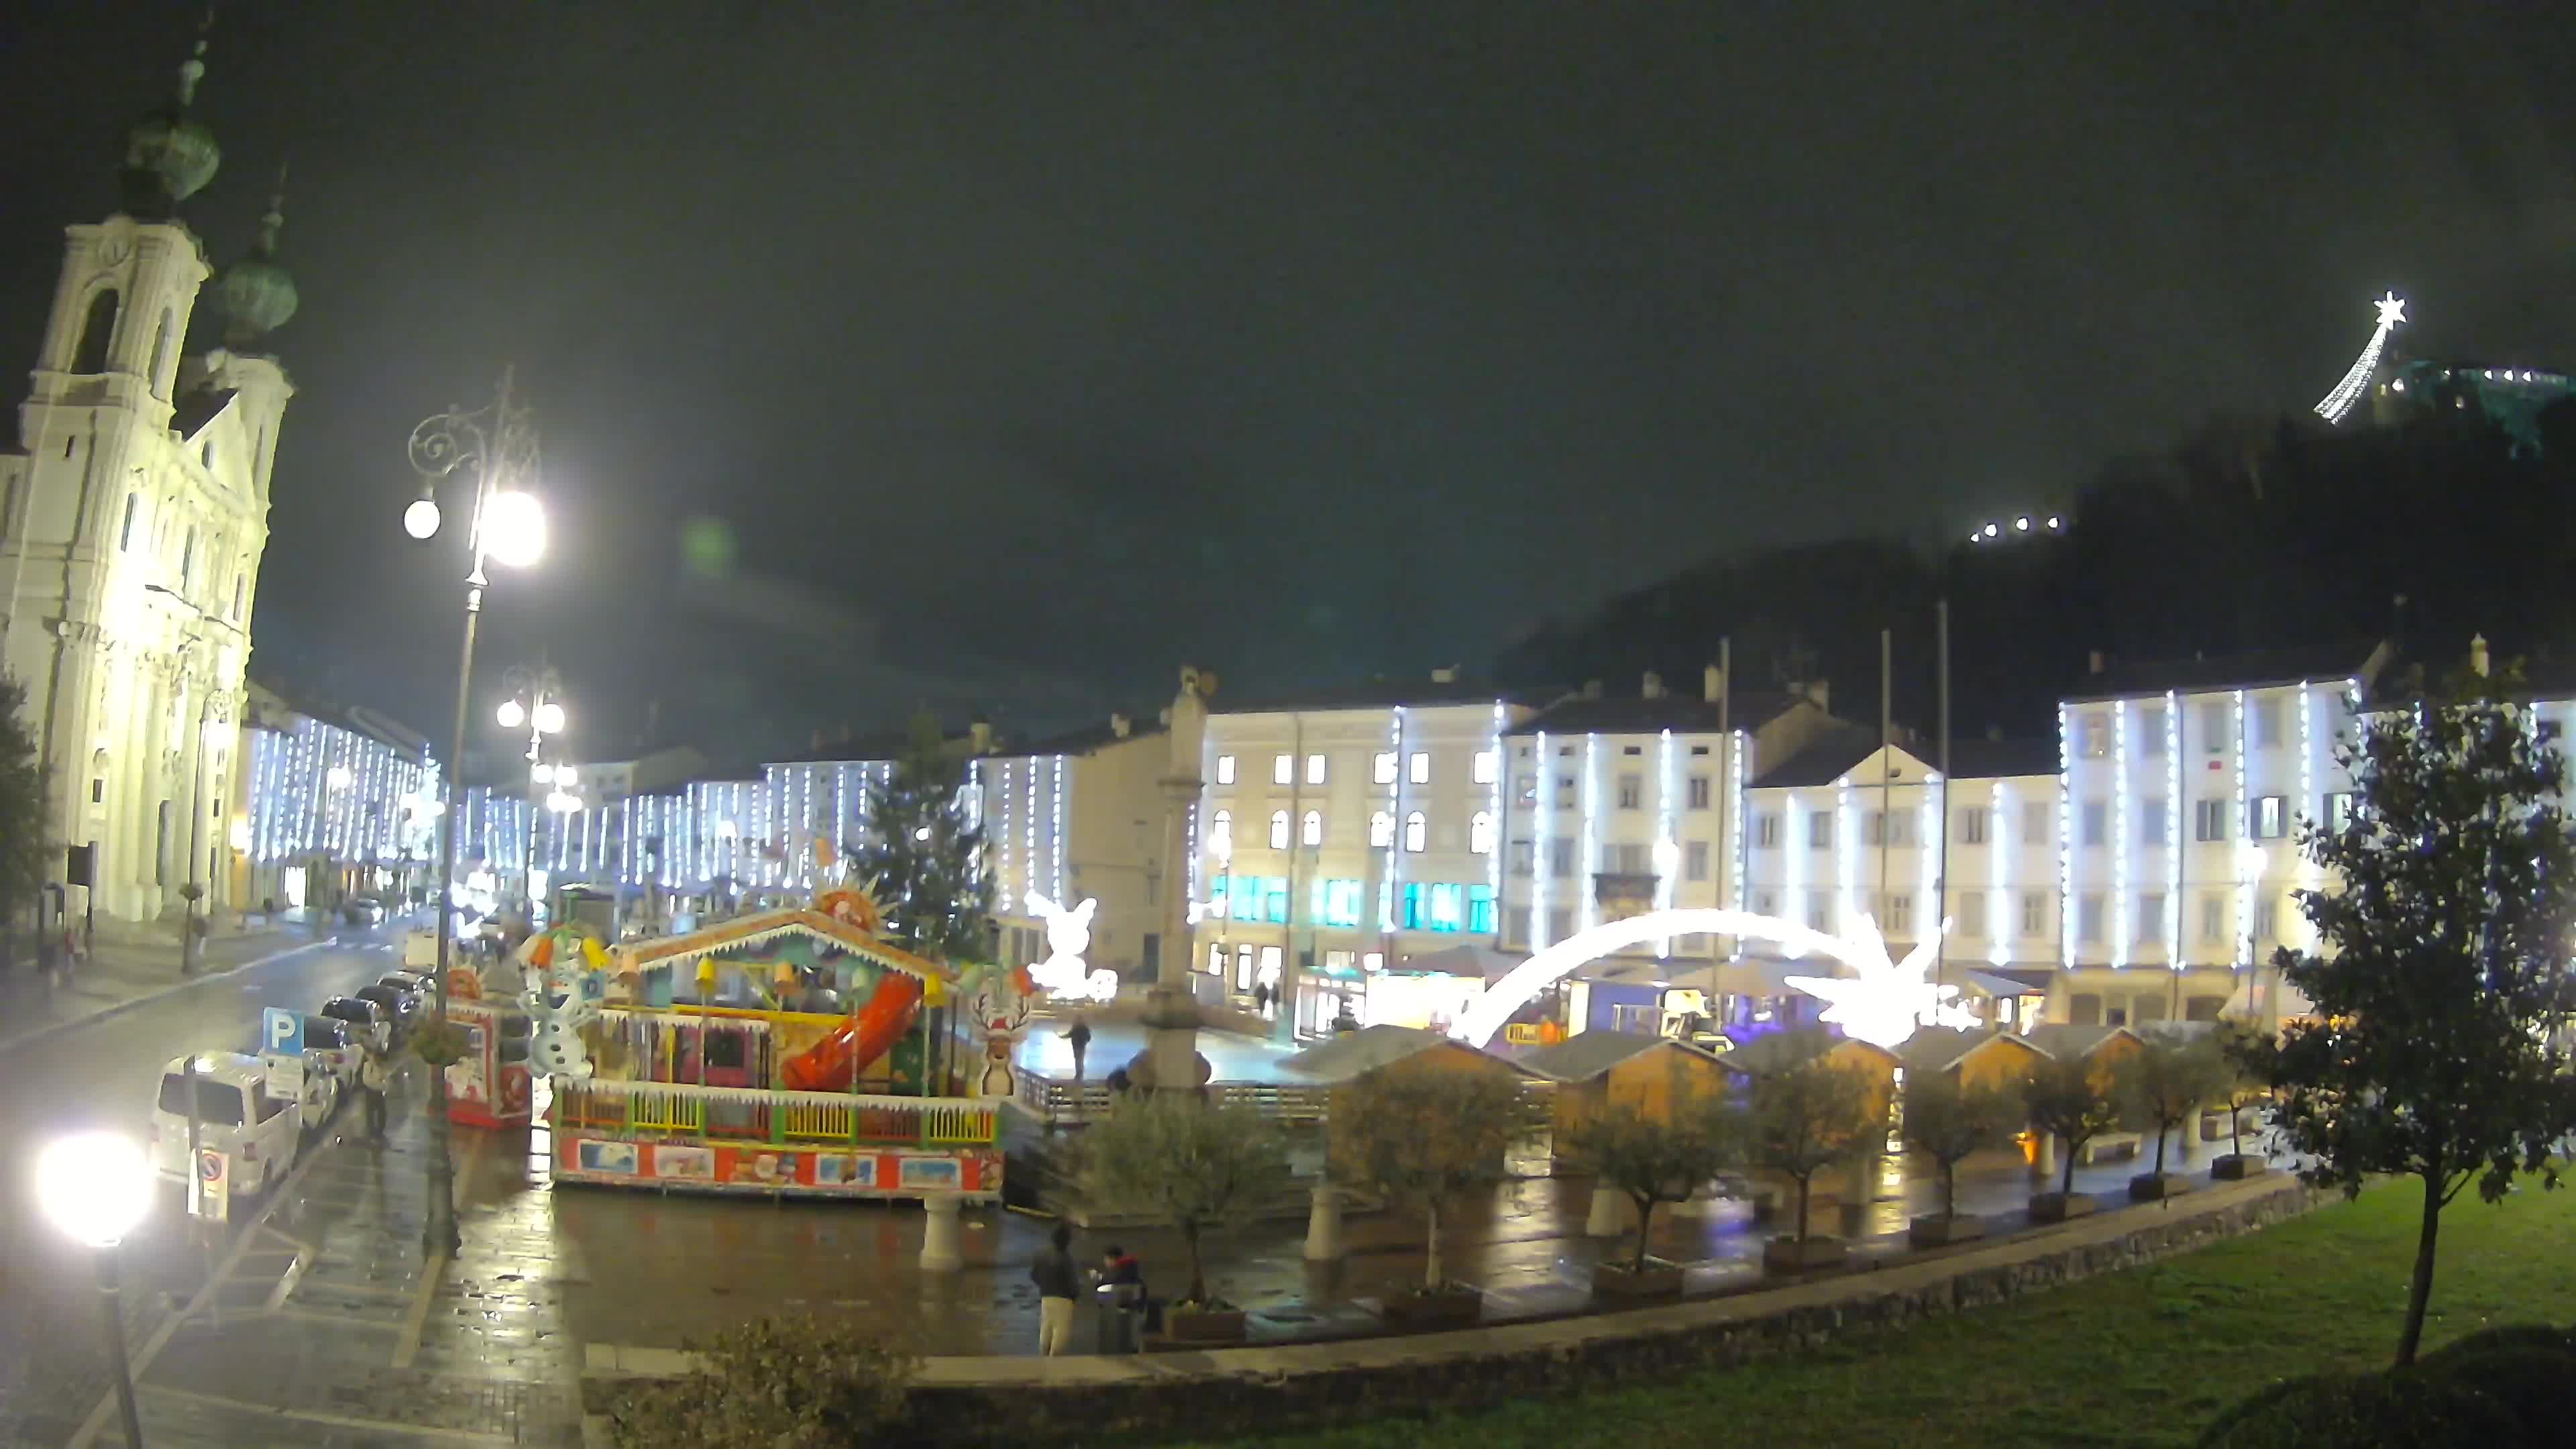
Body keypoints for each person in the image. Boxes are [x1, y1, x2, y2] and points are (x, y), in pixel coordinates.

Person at [1030, 1222, 1081, 1356]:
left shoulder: (1041, 1255)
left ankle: (1044, 1355)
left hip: (1046, 1297)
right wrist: (1075, 1296)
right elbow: (1072, 1283)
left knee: (1046, 1328)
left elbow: (1033, 1275)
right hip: (1064, 1299)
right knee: (1060, 1332)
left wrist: (1044, 1285)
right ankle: (1054, 1360)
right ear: (1066, 1240)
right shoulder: (1066, 1258)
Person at [358, 1046, 392, 1143]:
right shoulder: (369, 1065)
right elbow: (367, 1081)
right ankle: (371, 1132)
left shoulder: (382, 1067)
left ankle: (380, 1130)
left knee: (382, 1112)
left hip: (379, 1092)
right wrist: (379, 1083)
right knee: (370, 1113)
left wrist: (381, 1085)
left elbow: (386, 1081)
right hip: (370, 1092)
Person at [1065, 1017, 1093, 1083]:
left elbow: (1069, 1035)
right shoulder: (1085, 1028)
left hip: (1077, 1046)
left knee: (1078, 1060)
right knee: (1080, 1060)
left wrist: (1062, 1037)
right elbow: (1089, 1038)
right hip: (1081, 1046)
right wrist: (1085, 1042)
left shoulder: (1076, 1028)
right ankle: (1080, 1075)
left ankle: (1079, 1075)